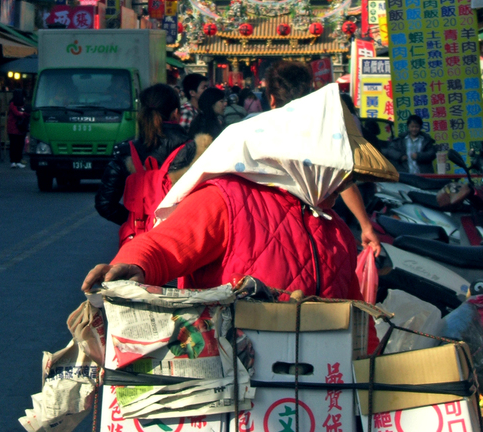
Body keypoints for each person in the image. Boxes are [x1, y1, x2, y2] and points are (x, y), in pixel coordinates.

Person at [83, 71, 397, 307]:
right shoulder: (228, 199)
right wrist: (134, 264)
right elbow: (165, 245)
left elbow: (354, 317)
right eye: (338, 172)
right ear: (309, 163)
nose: (343, 184)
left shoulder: (337, 232)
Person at [266, 61, 382, 256]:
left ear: (271, 99)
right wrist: (366, 226)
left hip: (267, 231)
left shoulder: (249, 134)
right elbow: (343, 182)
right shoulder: (319, 132)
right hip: (313, 233)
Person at [96, 83, 210, 244]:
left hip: (139, 242)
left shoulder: (127, 151)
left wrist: (138, 220)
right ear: (176, 113)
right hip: (180, 240)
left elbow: (105, 204)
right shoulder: (195, 149)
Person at [7, 90, 29, 168]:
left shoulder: (22, 104)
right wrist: (25, 114)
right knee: (14, 145)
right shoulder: (12, 104)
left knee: (20, 145)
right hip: (13, 129)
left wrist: (23, 113)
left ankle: (18, 161)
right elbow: (17, 113)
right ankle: (13, 161)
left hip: (21, 129)